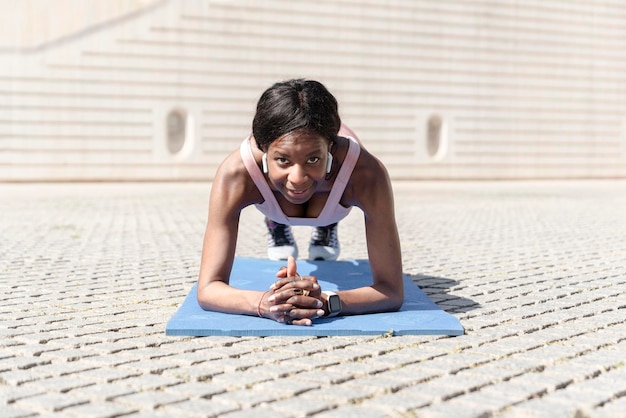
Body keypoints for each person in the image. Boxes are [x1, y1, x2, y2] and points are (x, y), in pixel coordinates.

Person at [197, 79, 404, 326]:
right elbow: (208, 288)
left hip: (333, 193)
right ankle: (276, 221)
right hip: (274, 192)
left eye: (313, 159)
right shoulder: (237, 174)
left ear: (330, 148)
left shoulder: (365, 174)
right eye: (283, 160)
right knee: (288, 191)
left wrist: (327, 302)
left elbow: (392, 291)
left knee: (322, 206)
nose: (297, 178)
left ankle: (327, 223)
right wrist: (267, 302)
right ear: (263, 151)